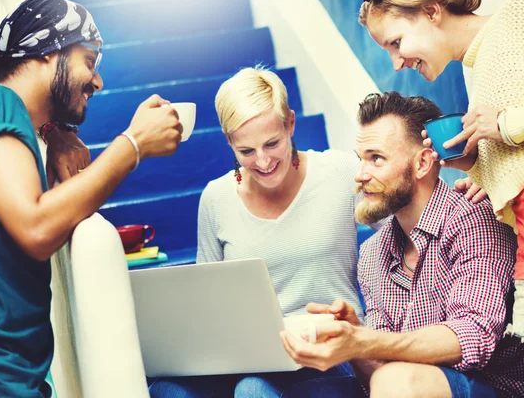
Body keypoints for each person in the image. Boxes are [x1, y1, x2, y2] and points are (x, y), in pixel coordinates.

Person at [360, 0, 524, 397]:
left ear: (430, 11)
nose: (395, 62)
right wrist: (476, 166)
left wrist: (510, 124)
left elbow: (519, 127)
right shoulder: (472, 71)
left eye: (395, 42)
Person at [0, 0, 185, 396]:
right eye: (89, 61)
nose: (97, 81)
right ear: (48, 51)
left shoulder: (17, 126)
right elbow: (35, 227)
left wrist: (52, 130)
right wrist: (134, 145)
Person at [280, 91, 524, 398]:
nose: (360, 175)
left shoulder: (473, 220)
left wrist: (365, 341)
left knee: (399, 381)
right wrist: (356, 343)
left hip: (492, 389)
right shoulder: (373, 253)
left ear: (421, 164)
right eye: (359, 159)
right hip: (405, 386)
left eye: (376, 158)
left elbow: (473, 336)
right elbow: (377, 378)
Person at [149, 66, 368, 397]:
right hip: (251, 355)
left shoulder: (339, 172)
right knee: (166, 389)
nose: (263, 161)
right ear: (228, 141)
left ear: (290, 124)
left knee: (252, 391)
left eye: (272, 143)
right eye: (246, 151)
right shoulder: (216, 198)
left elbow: (407, 212)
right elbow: (208, 299)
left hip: (328, 349)